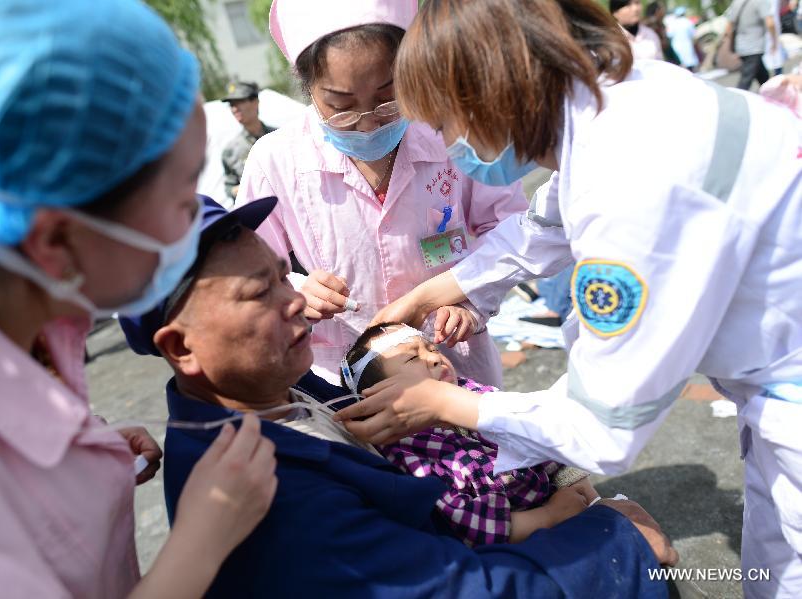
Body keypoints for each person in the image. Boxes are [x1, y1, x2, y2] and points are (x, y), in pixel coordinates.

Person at [330, 2, 802, 597]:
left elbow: (600, 424)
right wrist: (434, 291)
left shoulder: (628, 188)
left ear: (489, 93)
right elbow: (546, 225)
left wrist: (447, 404)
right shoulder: (623, 102)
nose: (449, 146)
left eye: (446, 124)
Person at [118, 196, 675, 598]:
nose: (293, 301)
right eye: (259, 292)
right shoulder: (257, 487)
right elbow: (444, 590)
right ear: (181, 348)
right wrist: (614, 544)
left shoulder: (266, 394)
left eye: (285, 277)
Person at [0, 1, 276, 596]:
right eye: (183, 196)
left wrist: (75, 467)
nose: (194, 220)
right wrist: (201, 541)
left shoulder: (24, 318)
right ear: (56, 239)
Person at [235, 0, 532, 389]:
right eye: (340, 107)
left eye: (387, 100)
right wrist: (292, 291)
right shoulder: (276, 160)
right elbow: (244, 268)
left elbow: (513, 227)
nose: (368, 123)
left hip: (453, 363)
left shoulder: (450, 131)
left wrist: (471, 299)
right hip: (347, 378)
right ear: (308, 88)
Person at [339, 322, 597, 546]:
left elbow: (537, 432)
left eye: (432, 348)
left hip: (563, 501)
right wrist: (550, 516)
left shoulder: (471, 392)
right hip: (516, 545)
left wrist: (579, 489)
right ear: (377, 393)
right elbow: (464, 524)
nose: (434, 358)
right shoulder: (406, 450)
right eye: (412, 358)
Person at [221, 81, 275, 204]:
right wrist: (242, 190)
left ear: (255, 101)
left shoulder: (280, 136)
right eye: (231, 105)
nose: (234, 109)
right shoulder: (230, 151)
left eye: (239, 102)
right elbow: (229, 186)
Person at [724, 0, 779, 90]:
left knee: (763, 77)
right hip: (754, 47)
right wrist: (774, 41)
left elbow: (729, 26)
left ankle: (772, 97)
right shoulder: (760, 2)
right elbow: (770, 23)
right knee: (745, 81)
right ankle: (736, 101)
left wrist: (731, 45)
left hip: (741, 46)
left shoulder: (737, 2)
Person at [644, 1, 682, 65]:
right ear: (657, 11)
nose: (664, 11)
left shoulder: (658, 24)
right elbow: (662, 45)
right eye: (662, 8)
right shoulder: (652, 25)